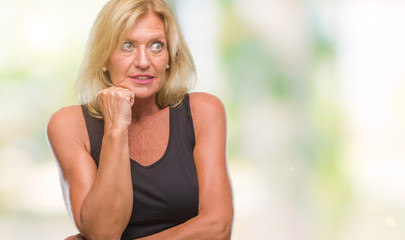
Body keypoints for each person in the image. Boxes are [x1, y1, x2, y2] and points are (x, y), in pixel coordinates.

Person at [46, 0, 233, 239]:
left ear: (169, 58)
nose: (144, 62)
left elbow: (218, 228)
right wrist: (115, 127)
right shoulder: (70, 126)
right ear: (104, 56)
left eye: (156, 46)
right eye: (127, 46)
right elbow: (103, 233)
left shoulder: (203, 112)